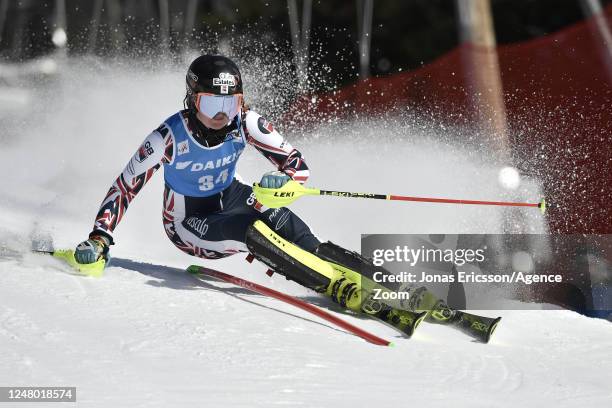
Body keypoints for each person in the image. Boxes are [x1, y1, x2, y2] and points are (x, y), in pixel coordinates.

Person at [73, 55, 462, 338]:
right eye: (212, 105)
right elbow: (126, 185)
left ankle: (393, 285)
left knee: (294, 229)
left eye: (231, 103)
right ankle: (334, 287)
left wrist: (283, 181)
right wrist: (99, 237)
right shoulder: (169, 136)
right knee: (250, 226)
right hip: (189, 224)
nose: (222, 116)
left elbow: (297, 164)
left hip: (233, 196)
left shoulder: (247, 122)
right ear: (192, 101)